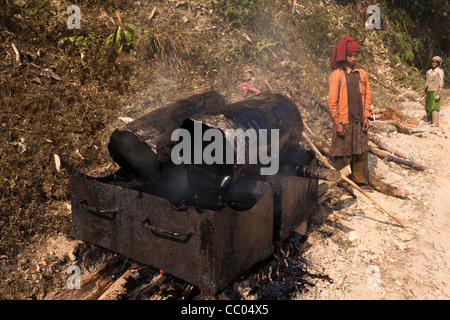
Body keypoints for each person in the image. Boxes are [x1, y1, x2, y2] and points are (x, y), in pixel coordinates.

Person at [328, 35, 371, 187]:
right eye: (350, 55)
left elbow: (367, 96)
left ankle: (360, 180)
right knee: (342, 152)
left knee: (360, 150)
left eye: (355, 55)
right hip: (344, 120)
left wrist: (366, 116)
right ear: (344, 56)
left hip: (359, 119)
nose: (353, 58)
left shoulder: (362, 73)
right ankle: (341, 182)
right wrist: (338, 122)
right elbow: (332, 102)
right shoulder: (337, 75)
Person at [425, 56, 444, 127]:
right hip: (429, 90)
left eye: (435, 62)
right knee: (428, 105)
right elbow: (426, 82)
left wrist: (439, 90)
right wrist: (425, 90)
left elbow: (441, 81)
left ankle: (436, 122)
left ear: (438, 64)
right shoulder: (429, 71)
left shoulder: (439, 71)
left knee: (435, 106)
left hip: (435, 91)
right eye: (432, 62)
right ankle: (430, 120)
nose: (433, 63)